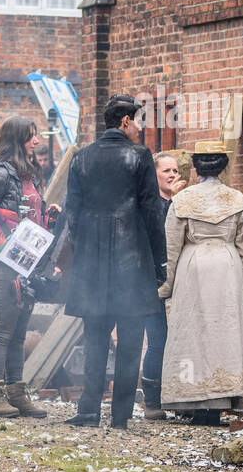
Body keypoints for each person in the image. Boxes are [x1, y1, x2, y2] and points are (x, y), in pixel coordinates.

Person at [63, 95, 166, 429]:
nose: (139, 129)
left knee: (94, 338)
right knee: (131, 342)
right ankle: (120, 416)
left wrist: (83, 253)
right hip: (131, 266)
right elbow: (151, 212)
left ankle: (88, 410)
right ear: (124, 121)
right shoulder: (140, 157)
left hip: (92, 266)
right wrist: (159, 262)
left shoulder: (80, 159)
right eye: (137, 121)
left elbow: (72, 215)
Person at [158, 142, 243, 425]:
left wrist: (166, 286)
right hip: (227, 265)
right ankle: (225, 396)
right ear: (223, 166)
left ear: (196, 168)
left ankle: (195, 398)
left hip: (194, 266)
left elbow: (171, 248)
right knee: (224, 330)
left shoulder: (183, 200)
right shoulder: (237, 199)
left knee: (194, 331)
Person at [0, 117, 49, 418]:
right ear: (16, 140)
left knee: (18, 333)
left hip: (27, 263)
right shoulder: (0, 174)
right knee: (2, 331)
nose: (37, 141)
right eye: (31, 136)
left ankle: (17, 393)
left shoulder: (28, 173)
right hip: (6, 264)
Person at [141, 151, 186, 420]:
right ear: (154, 174)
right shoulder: (151, 204)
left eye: (175, 171)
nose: (172, 175)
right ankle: (152, 401)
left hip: (182, 283)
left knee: (180, 341)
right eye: (166, 170)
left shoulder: (181, 202)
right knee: (158, 340)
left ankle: (179, 397)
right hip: (154, 283)